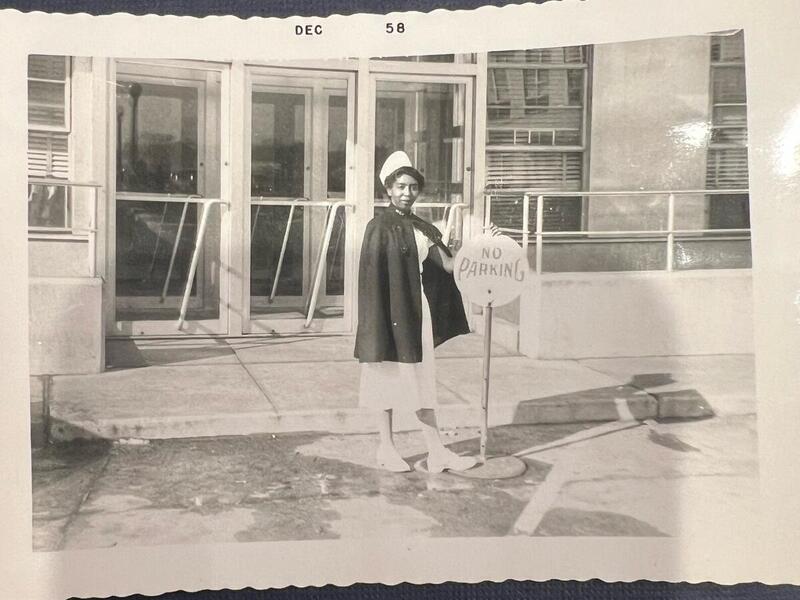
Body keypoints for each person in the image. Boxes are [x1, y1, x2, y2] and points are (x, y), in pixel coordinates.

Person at [354, 150, 478, 474]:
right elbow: (371, 281)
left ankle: (437, 452)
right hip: (387, 314)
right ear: (388, 189)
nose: (407, 193)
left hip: (415, 313)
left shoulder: (423, 228)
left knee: (422, 382)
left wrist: (462, 244)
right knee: (385, 379)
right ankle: (386, 447)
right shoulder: (377, 227)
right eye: (401, 186)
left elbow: (449, 266)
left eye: (412, 187)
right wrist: (374, 327)